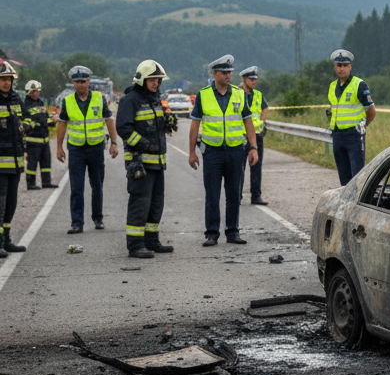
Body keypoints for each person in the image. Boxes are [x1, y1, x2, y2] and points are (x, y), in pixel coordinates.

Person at [188, 54, 258, 246]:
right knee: (212, 194)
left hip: (236, 151)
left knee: (234, 193)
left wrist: (253, 147)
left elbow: (248, 122)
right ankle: (212, 233)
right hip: (212, 152)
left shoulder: (239, 93)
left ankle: (232, 231)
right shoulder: (203, 95)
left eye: (230, 72)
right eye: (224, 73)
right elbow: (194, 126)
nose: (228, 76)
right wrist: (192, 152)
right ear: (215, 74)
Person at [116, 59, 174, 259]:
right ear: (142, 79)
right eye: (152, 79)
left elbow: (158, 127)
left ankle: (151, 241)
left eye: (158, 80)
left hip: (157, 163)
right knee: (140, 204)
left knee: (156, 204)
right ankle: (135, 245)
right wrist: (143, 144)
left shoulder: (156, 99)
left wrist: (168, 121)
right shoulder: (130, 100)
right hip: (140, 163)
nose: (156, 83)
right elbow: (123, 128)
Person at [55, 65, 118, 234]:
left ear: (88, 81)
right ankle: (77, 222)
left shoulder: (99, 98)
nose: (80, 85)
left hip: (96, 148)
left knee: (97, 185)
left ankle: (98, 218)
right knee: (76, 187)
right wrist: (59, 147)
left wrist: (114, 142)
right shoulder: (67, 101)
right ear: (73, 83)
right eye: (77, 82)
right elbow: (61, 125)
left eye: (83, 81)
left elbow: (108, 120)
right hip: (76, 150)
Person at [327, 48, 375, 186]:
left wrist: (362, 126)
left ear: (350, 66)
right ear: (335, 67)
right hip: (337, 136)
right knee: (344, 178)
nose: (342, 69)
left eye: (345, 65)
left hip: (354, 135)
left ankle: (357, 205)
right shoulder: (332, 86)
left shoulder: (359, 85)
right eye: (339, 65)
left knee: (358, 176)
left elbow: (371, 111)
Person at [0, 60, 26, 257]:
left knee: (11, 203)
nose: (6, 83)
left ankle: (6, 240)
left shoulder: (16, 98)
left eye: (8, 79)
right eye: (3, 79)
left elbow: (24, 120)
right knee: (0, 205)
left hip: (16, 162)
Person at [238, 66, 270, 205]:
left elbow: (266, 109)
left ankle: (256, 196)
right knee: (239, 168)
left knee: (256, 167)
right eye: (251, 79)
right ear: (244, 80)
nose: (254, 82)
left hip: (257, 136)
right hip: (241, 136)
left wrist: (261, 122)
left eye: (255, 79)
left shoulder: (258, 95)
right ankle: (237, 196)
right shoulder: (237, 94)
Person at [22, 80, 56, 189]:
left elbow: (45, 116)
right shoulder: (25, 105)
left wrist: (51, 121)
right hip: (33, 140)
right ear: (29, 92)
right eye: (34, 91)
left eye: (38, 91)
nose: (36, 93)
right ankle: (30, 183)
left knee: (46, 162)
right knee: (32, 163)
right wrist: (35, 124)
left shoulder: (41, 103)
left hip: (44, 139)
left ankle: (46, 182)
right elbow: (26, 121)